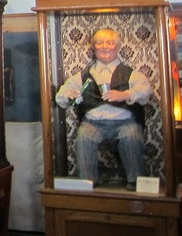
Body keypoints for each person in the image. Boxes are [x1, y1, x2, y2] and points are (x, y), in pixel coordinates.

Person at [55, 28, 151, 190]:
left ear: (117, 47)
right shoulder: (83, 75)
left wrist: (125, 94)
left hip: (124, 122)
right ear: (94, 47)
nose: (104, 47)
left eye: (109, 43)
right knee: (84, 137)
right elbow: (61, 96)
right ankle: (88, 182)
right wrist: (70, 95)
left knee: (131, 137)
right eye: (99, 43)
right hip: (93, 123)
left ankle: (136, 181)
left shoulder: (131, 73)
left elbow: (145, 90)